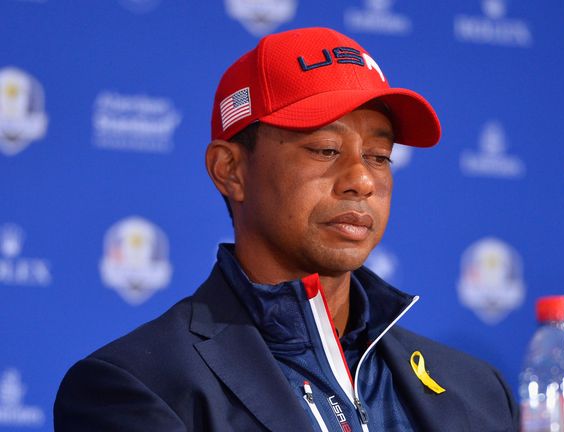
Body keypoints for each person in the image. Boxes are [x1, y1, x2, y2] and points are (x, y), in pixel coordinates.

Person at [54, 27, 519, 431]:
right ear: (230, 170)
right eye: (324, 149)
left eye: (379, 156)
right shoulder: (136, 387)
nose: (361, 180)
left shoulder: (479, 390)